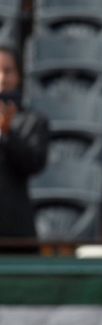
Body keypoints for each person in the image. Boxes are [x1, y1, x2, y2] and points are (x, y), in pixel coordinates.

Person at [0, 46, 48, 239]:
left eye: (8, 71)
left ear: (19, 76)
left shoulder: (32, 121)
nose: (2, 78)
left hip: (15, 227)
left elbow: (33, 163)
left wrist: (7, 133)